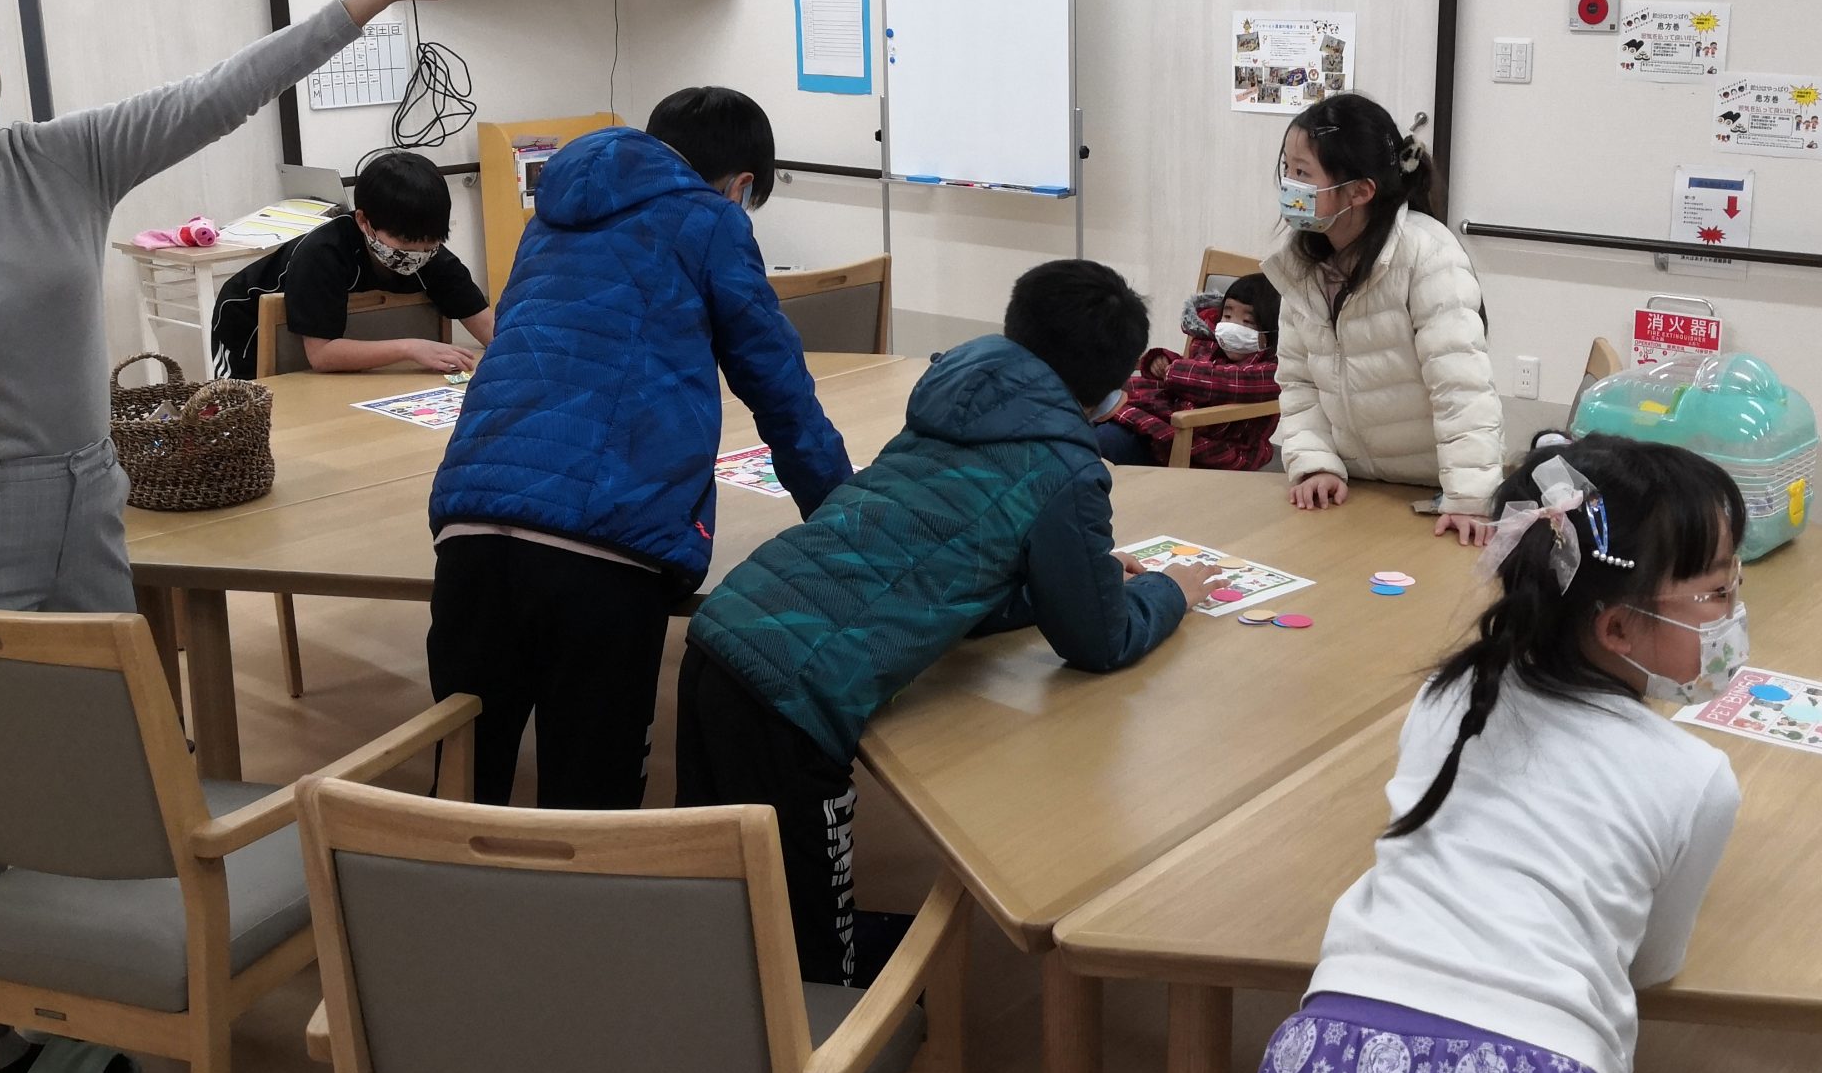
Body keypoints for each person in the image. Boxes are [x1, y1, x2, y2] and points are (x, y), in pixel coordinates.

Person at [0, 0, 471, 1073]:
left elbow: (219, 90)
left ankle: (89, 979)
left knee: (100, 764)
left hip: (88, 503)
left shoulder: (56, 160)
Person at [1190, 436, 1745, 1073]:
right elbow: (1652, 965)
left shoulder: (1448, 697)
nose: (1734, 611)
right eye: (1717, 592)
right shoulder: (1697, 776)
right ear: (1616, 628)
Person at [677, 259, 1220, 983]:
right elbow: (1099, 641)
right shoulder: (1065, 466)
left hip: (724, 633)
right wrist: (1168, 591)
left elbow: (951, 562)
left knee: (720, 888)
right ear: (1108, 390)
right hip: (794, 694)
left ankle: (710, 1014)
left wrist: (1057, 587)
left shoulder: (949, 398)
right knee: (809, 957)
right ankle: (822, 1038)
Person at [426, 86, 852, 812]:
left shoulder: (548, 218)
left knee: (464, 778)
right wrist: (845, 526)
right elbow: (781, 393)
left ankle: (438, 886)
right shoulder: (712, 221)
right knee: (592, 800)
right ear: (741, 184)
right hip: (605, 544)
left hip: (471, 525)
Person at [1267, 94, 1503, 547]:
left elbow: (1461, 390)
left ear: (1360, 191)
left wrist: (1470, 497)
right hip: (1354, 490)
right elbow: (1298, 382)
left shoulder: (1428, 255)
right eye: (1288, 170)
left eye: (1304, 174)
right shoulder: (1300, 265)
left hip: (1433, 492)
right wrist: (1315, 464)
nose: (1290, 186)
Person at [208, 148, 494, 379]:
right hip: (247, 327)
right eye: (405, 242)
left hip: (331, 354)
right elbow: (322, 355)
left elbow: (488, 327)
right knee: (243, 416)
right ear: (363, 221)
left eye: (430, 241)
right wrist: (410, 348)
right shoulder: (324, 253)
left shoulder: (435, 259)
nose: (417, 253)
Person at [1097, 270, 1281, 469]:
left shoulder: (1274, 370)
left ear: (1272, 329)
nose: (1232, 327)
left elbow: (1222, 380)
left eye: (1247, 322)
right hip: (1168, 427)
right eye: (1227, 316)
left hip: (1211, 448)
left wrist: (1173, 371)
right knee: (1091, 421)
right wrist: (1162, 362)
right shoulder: (1211, 343)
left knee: (1105, 439)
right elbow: (1192, 366)